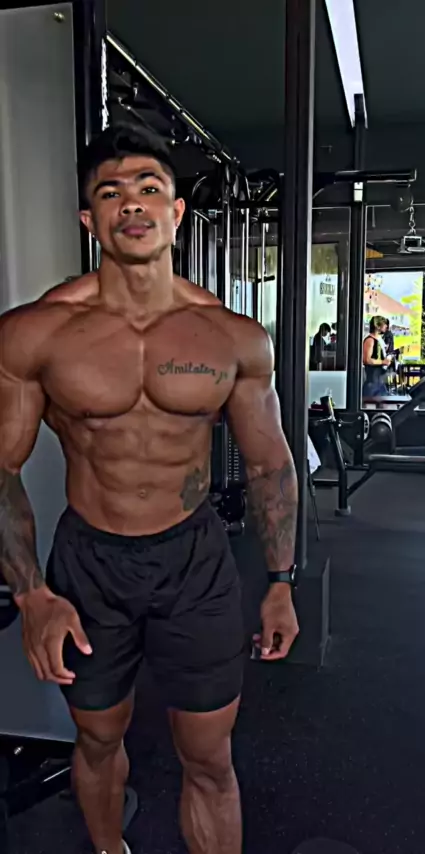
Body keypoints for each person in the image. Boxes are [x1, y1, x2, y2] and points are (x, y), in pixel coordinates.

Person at [0, 123, 300, 854]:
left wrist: (281, 582)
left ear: (176, 212)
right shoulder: (35, 334)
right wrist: (32, 594)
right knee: (98, 740)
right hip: (90, 564)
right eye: (111, 193)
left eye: (148, 188)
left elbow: (270, 465)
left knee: (210, 756)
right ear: (89, 219)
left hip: (194, 560)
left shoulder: (232, 337)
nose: (131, 204)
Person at [362, 315, 392, 398]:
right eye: (384, 324)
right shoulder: (370, 340)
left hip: (379, 381)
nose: (386, 326)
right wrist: (383, 362)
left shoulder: (379, 339)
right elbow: (367, 360)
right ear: (377, 326)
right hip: (373, 383)